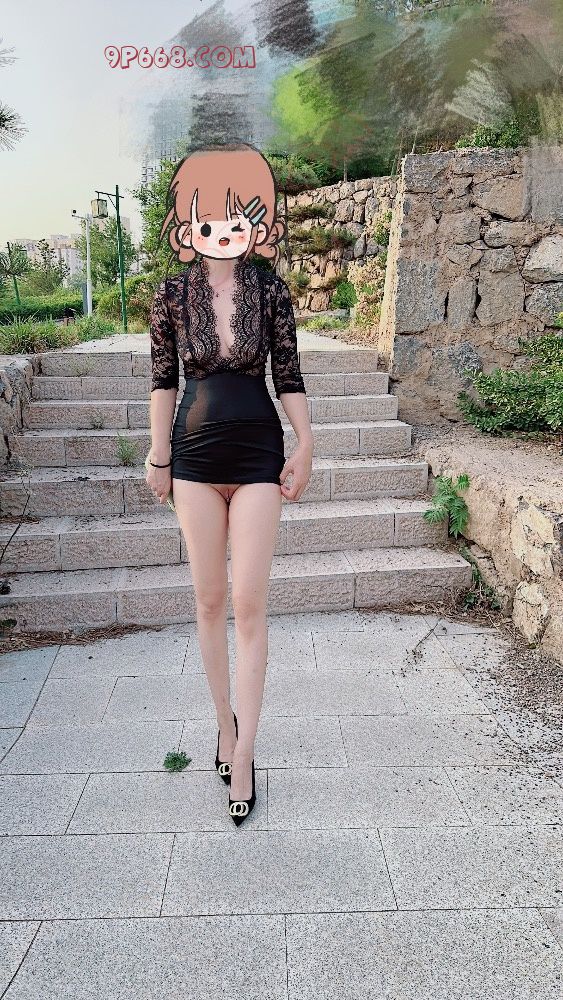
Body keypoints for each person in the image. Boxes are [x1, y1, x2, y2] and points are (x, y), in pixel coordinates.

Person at [146, 142, 313, 826]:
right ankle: (223, 724)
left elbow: (288, 373)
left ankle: (245, 753)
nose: (222, 230)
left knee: (248, 602)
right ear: (187, 224)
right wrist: (158, 455)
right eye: (209, 218)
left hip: (256, 455)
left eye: (237, 217)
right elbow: (162, 380)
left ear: (256, 221)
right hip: (192, 456)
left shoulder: (270, 289)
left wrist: (306, 442)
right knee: (209, 600)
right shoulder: (169, 294)